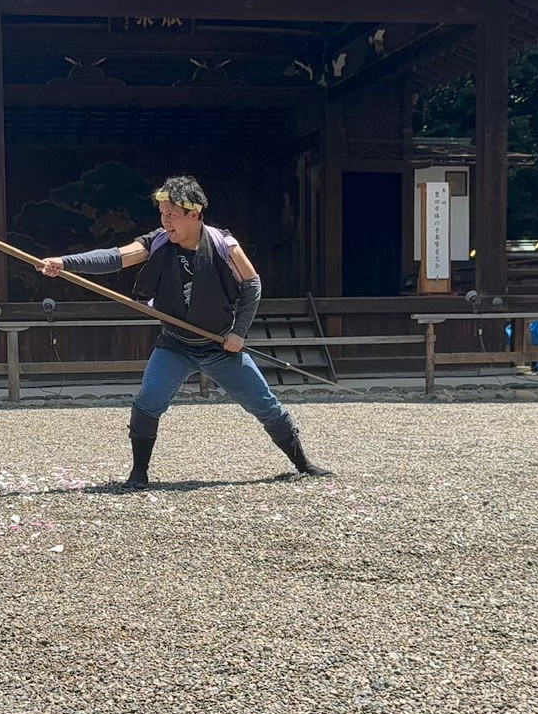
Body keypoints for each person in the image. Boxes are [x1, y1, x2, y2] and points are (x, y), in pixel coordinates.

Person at [39, 175, 329, 489]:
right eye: (162, 214)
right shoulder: (158, 242)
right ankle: (138, 474)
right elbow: (115, 257)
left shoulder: (223, 244)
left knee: (265, 404)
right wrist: (65, 263)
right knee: (148, 401)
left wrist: (239, 332)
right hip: (175, 344)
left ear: (194, 215)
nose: (166, 222)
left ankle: (303, 464)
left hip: (219, 346)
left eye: (172, 215)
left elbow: (252, 283)